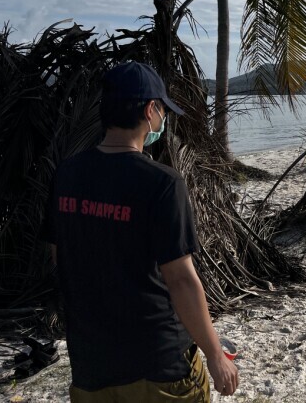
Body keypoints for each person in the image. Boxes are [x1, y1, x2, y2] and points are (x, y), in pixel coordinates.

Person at [44, 62, 239, 402]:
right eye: (163, 111)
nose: (163, 120)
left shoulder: (67, 175)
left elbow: (60, 255)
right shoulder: (162, 183)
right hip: (157, 364)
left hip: (91, 364)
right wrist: (215, 354)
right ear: (150, 110)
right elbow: (180, 279)